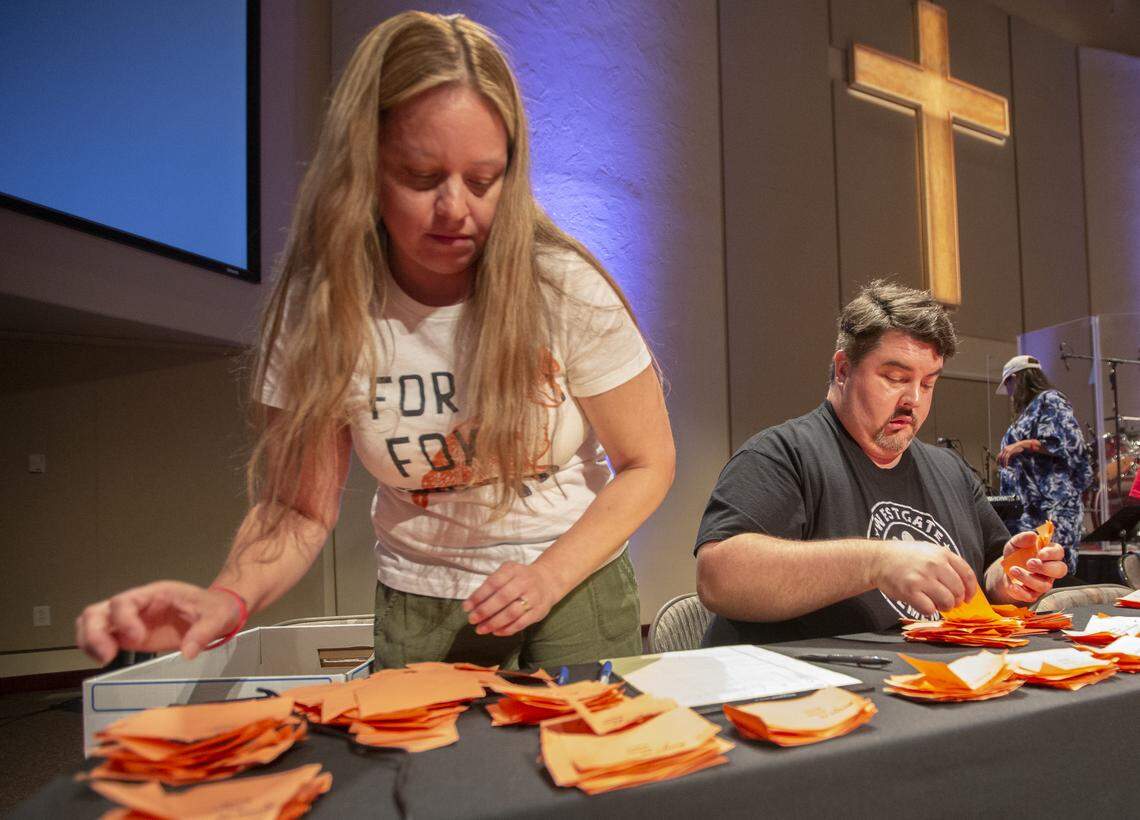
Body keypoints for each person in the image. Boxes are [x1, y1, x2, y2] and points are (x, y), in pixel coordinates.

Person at [76, 12, 674, 670]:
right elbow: (297, 510)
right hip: (419, 603)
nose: (456, 209)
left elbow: (648, 462)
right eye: (421, 177)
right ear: (364, 165)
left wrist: (549, 576)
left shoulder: (561, 285)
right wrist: (226, 598)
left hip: (574, 586)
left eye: (483, 180)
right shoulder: (323, 310)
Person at [694, 281, 1066, 645]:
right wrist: (875, 563)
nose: (914, 400)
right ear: (843, 370)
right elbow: (719, 578)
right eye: (895, 378)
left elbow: (990, 575)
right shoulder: (781, 454)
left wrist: (1012, 576)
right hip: (819, 695)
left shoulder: (949, 471)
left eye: (928, 383)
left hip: (939, 689)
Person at [996, 355, 1094, 575]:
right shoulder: (1029, 410)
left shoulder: (1050, 400)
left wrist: (1022, 445)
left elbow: (1067, 443)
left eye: (1009, 385)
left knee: (1053, 567)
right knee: (1030, 569)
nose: (1010, 394)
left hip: (1052, 506)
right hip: (1029, 508)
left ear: (1016, 379)